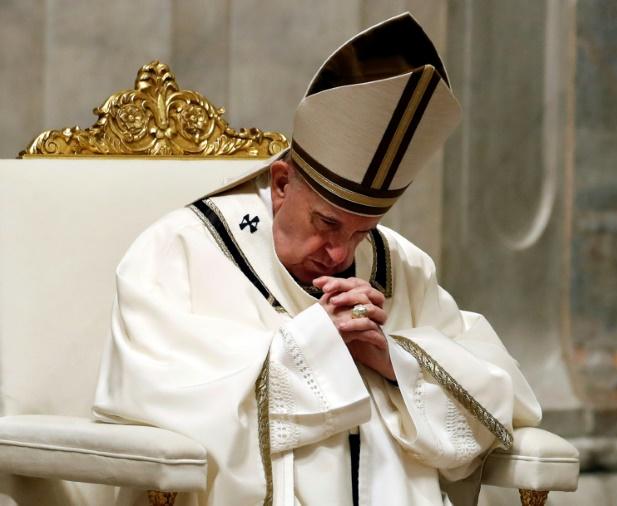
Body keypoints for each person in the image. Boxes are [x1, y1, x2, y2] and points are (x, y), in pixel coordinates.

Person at [93, 12, 541, 506]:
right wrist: (313, 345)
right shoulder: (181, 247)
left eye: (361, 232)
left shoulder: (398, 263)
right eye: (326, 223)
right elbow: (154, 396)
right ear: (283, 184)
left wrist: (393, 359)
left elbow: (501, 393)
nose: (341, 253)